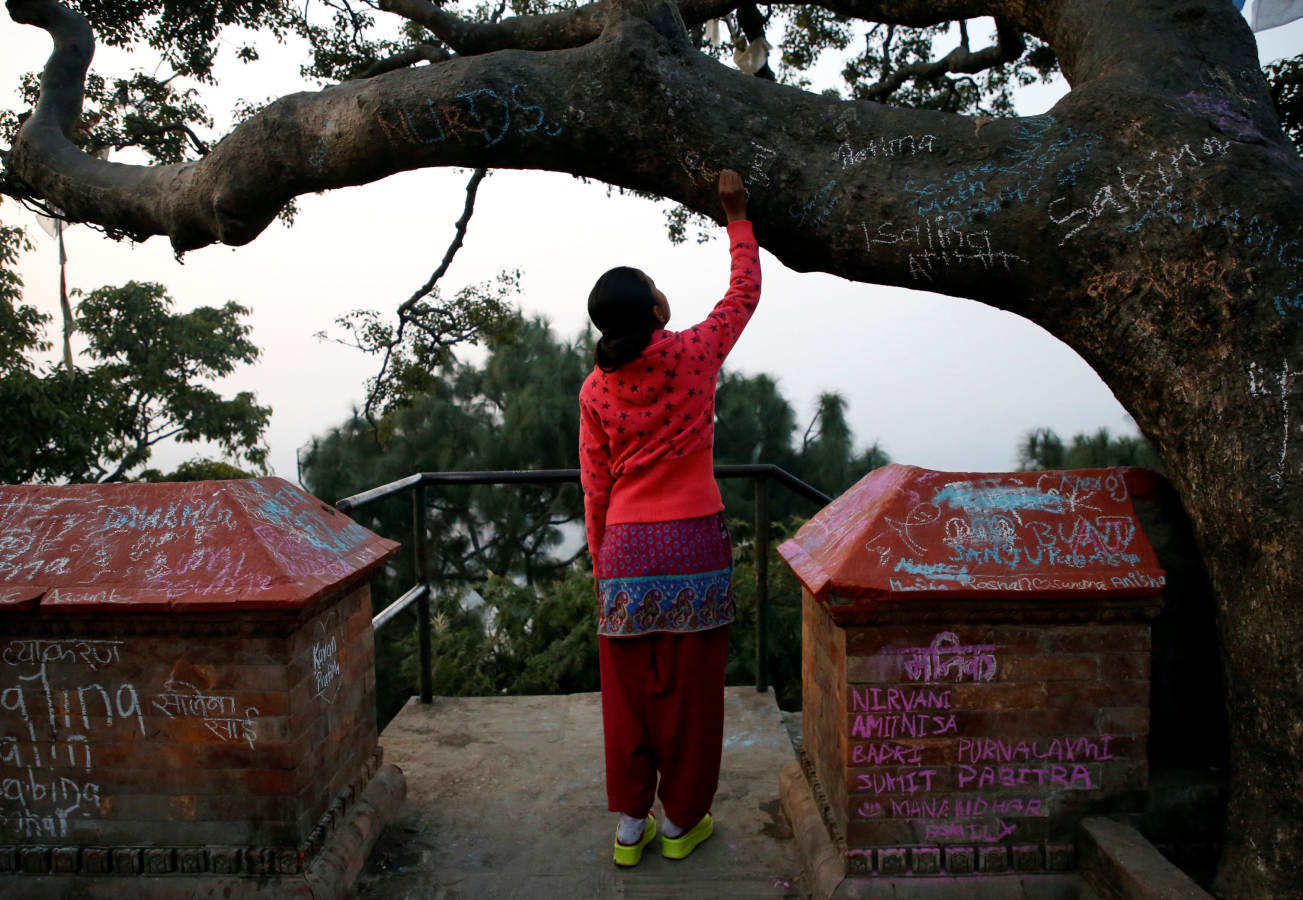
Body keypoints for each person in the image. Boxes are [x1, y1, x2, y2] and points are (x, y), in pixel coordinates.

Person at [578, 169, 760, 867]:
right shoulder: (691, 354)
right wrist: (736, 217)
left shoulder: (596, 388)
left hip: (624, 551)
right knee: (690, 696)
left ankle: (631, 828)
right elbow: (743, 293)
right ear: (652, 310)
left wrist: (602, 565)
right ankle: (683, 823)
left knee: (628, 697)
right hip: (694, 545)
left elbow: (595, 488)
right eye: (653, 288)